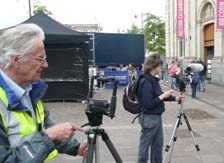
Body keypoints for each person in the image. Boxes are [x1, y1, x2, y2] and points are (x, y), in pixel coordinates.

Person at [0, 23, 88, 162]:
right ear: (16, 60)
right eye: (40, 59)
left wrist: (75, 147)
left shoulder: (30, 90)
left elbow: (42, 128)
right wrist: (49, 136)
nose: (46, 65)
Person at [137, 54, 183, 163]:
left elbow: (159, 95)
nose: (161, 68)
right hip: (149, 118)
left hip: (155, 118)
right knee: (144, 146)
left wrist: (175, 98)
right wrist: (163, 96)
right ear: (154, 66)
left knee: (157, 146)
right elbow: (148, 103)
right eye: (160, 65)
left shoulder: (153, 79)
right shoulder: (146, 81)